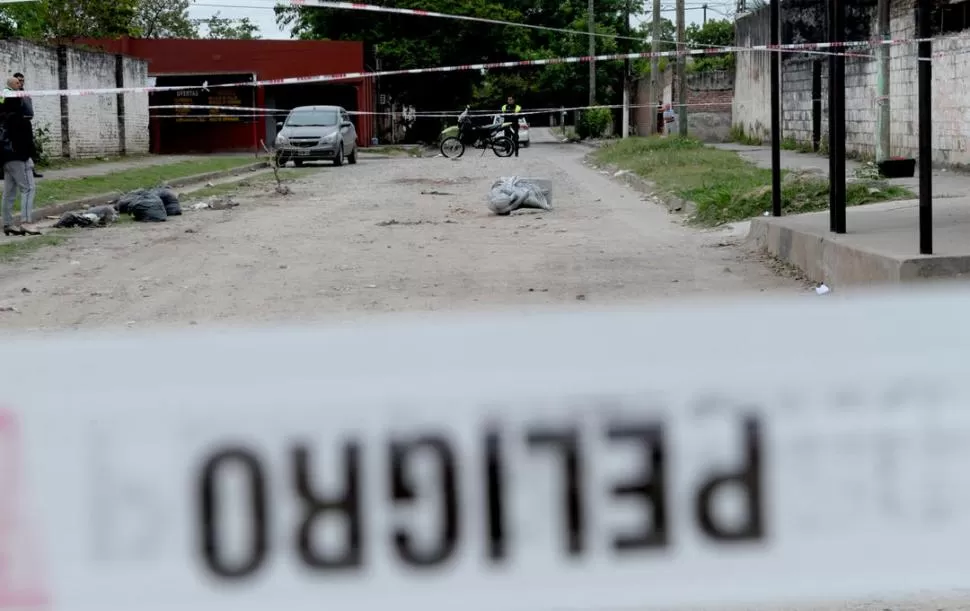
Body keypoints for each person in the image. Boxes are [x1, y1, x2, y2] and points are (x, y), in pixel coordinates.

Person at [1, 76, 40, 236]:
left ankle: (8, 224)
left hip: (6, 156)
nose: (21, 85)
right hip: (18, 155)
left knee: (9, 192)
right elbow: (30, 114)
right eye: (18, 83)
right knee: (28, 188)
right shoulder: (18, 115)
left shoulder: (4, 115)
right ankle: (25, 222)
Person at [12, 73, 42, 178]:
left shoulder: (25, 93)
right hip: (15, 125)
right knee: (16, 148)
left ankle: (31, 170)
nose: (21, 83)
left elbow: (29, 107)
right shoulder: (10, 93)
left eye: (22, 81)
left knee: (29, 147)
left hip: (26, 123)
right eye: (19, 81)